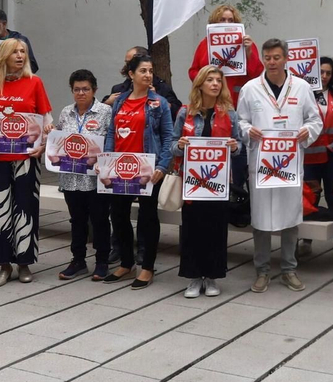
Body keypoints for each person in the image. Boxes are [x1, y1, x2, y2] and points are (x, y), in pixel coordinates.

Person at [237, 39, 323, 291]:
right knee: (261, 218)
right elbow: (240, 120)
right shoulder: (250, 88)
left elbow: (314, 119)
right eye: (267, 57)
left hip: (288, 163)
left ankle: (289, 268)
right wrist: (246, 130)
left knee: (289, 217)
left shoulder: (302, 87)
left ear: (286, 58)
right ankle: (262, 271)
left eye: (276, 57)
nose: (272, 62)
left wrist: (306, 131)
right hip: (262, 163)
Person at [0, 38, 51, 287]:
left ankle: (24, 263)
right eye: (15, 52)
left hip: (26, 159)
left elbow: (45, 119)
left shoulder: (34, 82)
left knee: (25, 209)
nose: (20, 56)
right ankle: (3, 265)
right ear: (3, 56)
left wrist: (43, 144)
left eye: (23, 52)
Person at [103, 52, 175, 289]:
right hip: (120, 169)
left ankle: (147, 267)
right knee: (119, 215)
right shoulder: (120, 101)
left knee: (147, 217)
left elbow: (168, 137)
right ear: (131, 74)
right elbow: (112, 133)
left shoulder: (159, 103)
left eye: (150, 71)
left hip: (148, 170)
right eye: (143, 71)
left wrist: (162, 166)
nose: (148, 75)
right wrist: (106, 163)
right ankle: (126, 263)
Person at [173, 65, 244, 297]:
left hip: (218, 185)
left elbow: (239, 146)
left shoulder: (230, 113)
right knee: (192, 229)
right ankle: (194, 277)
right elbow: (172, 145)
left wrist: (235, 147)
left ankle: (212, 277)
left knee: (216, 230)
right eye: (210, 80)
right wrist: (180, 146)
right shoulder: (185, 113)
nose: (215, 84)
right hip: (192, 184)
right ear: (200, 84)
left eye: (218, 81)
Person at [52, 70, 112, 280]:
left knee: (100, 220)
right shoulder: (66, 112)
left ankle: (102, 261)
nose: (81, 93)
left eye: (85, 89)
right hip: (70, 177)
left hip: (95, 178)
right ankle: (78, 260)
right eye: (76, 89)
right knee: (76, 220)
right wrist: (52, 134)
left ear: (94, 90)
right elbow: (59, 139)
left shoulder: (105, 111)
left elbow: (111, 142)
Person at [189, 4, 264, 106]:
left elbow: (256, 73)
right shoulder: (205, 44)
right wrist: (207, 81)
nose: (226, 23)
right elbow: (193, 72)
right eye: (222, 19)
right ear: (215, 22)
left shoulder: (246, 43)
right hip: (210, 101)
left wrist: (248, 52)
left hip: (238, 101)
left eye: (230, 20)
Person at [302, 58, 333, 222]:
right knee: (310, 197)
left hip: (331, 156)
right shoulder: (304, 95)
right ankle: (307, 240)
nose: (325, 76)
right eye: (321, 72)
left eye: (328, 72)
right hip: (310, 155)